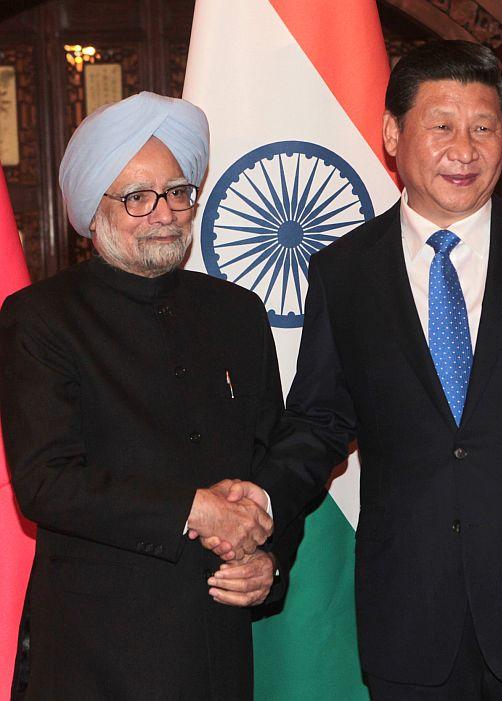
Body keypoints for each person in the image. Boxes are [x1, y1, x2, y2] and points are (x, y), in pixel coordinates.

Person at [215, 41, 502, 700]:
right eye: (442, 125)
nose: (466, 148)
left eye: (484, 127)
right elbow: (319, 420)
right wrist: (266, 497)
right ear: (394, 134)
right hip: (411, 610)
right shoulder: (346, 271)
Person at [0, 92, 298, 700]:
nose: (163, 212)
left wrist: (270, 563)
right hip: (99, 655)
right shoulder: (41, 319)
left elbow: (275, 462)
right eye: (136, 197)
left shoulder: (237, 313)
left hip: (217, 645)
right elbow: (46, 482)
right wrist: (193, 509)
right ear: (93, 209)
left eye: (177, 191)